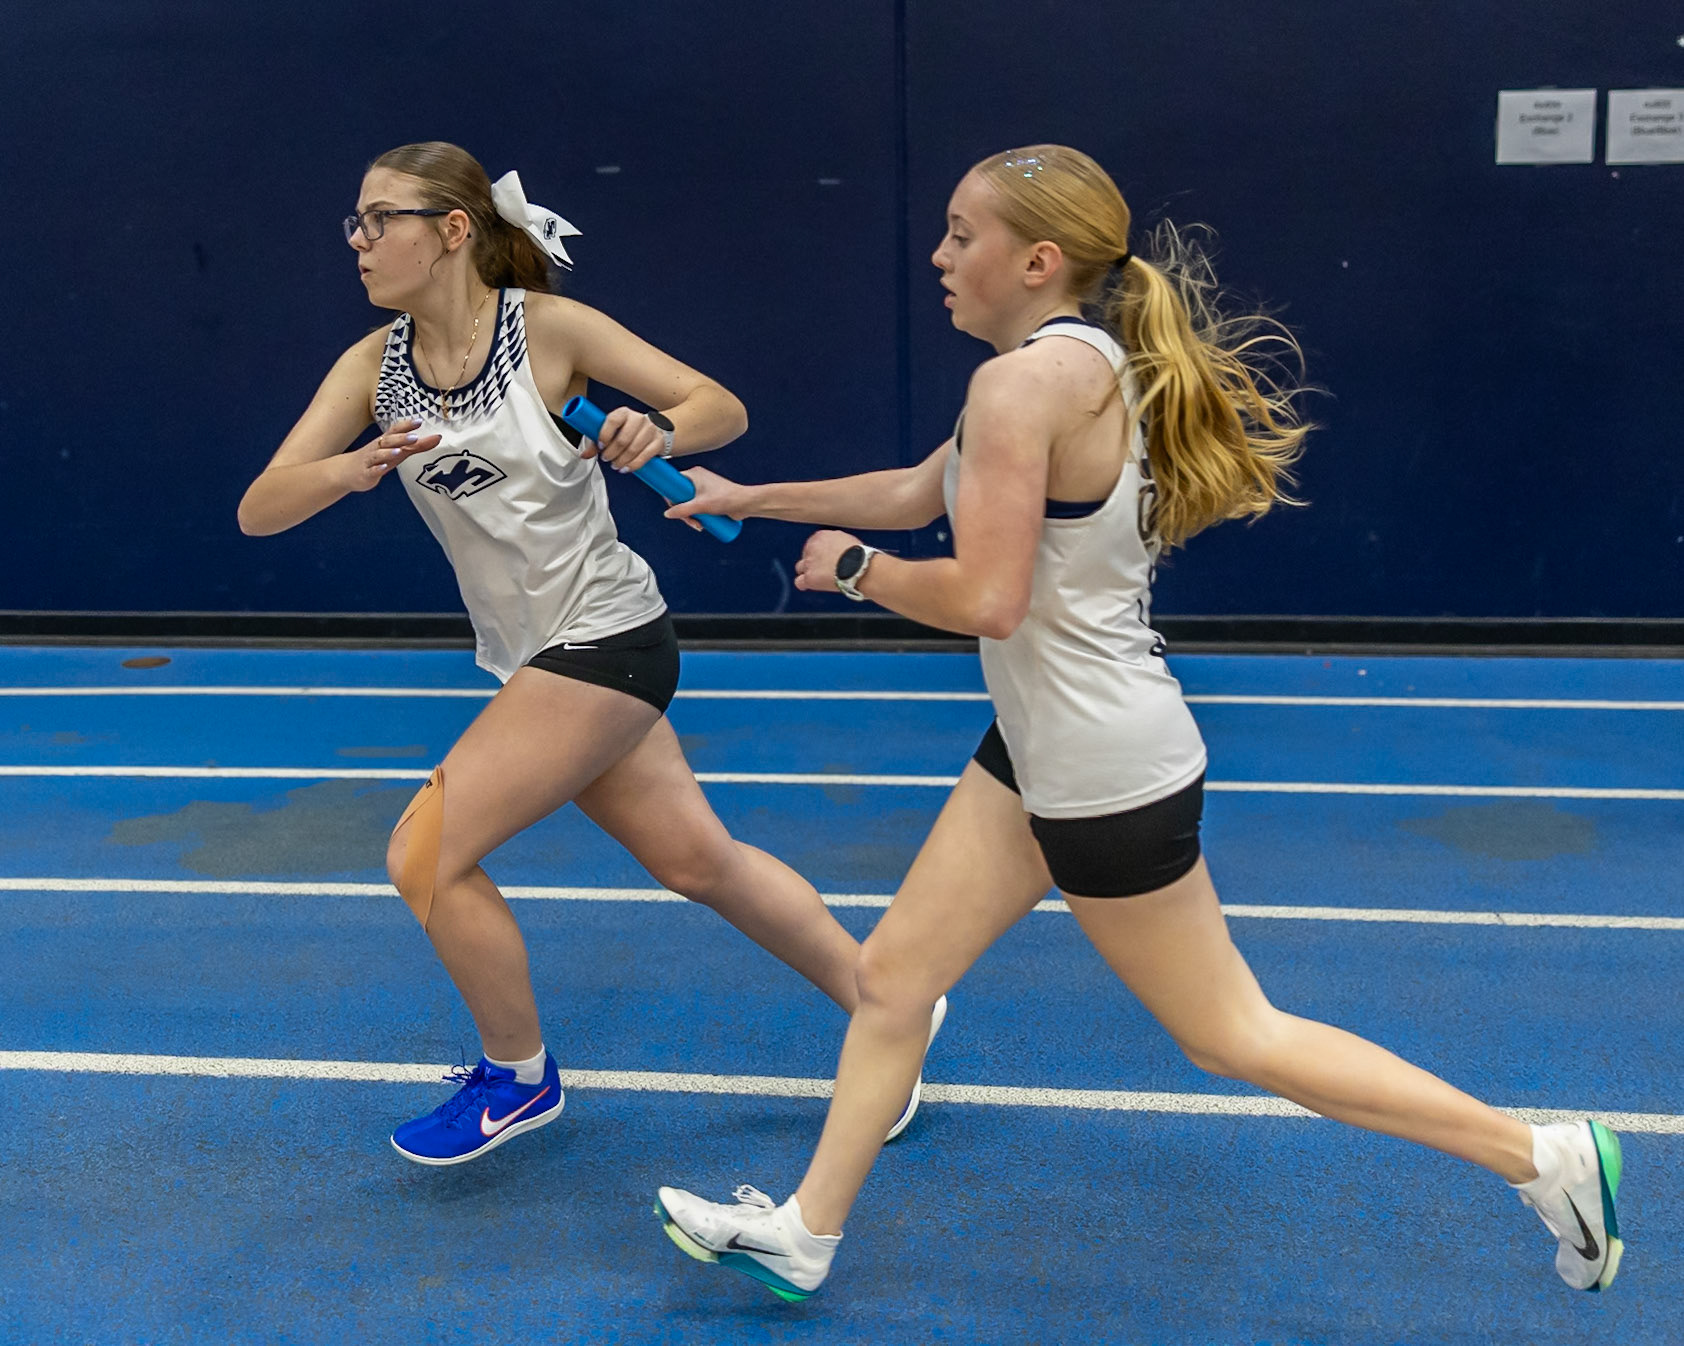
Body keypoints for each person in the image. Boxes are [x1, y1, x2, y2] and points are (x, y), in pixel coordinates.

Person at [652, 144, 1624, 1300]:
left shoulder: (1021, 385)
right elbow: (921, 488)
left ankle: (1543, 1157)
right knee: (894, 976)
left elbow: (987, 597)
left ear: (1037, 260)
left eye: (962, 234)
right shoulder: (1079, 364)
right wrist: (749, 497)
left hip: (1100, 771)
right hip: (1046, 748)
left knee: (1232, 1034)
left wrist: (861, 572)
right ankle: (806, 1230)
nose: (940, 256)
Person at [237, 141, 942, 1165]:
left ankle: (517, 1077)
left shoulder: (547, 330)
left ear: (452, 230)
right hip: (534, 655)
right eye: (356, 220)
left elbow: (720, 407)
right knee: (698, 861)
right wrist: (348, 469)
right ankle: (890, 999)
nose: (359, 240)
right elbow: (260, 509)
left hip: (606, 635)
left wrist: (658, 430)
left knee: (423, 853)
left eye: (380, 218)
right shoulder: (370, 369)